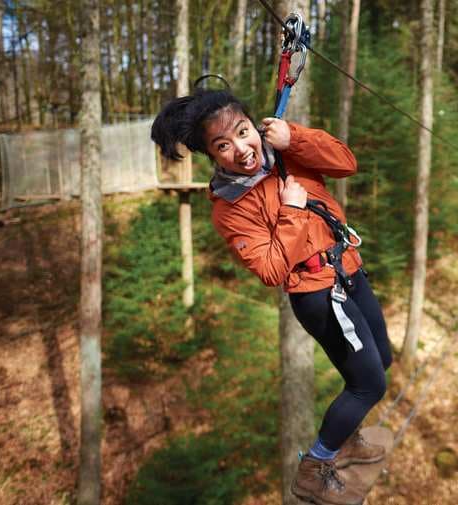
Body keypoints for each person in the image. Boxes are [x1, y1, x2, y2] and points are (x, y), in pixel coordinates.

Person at [151, 89, 389, 505]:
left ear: (254, 124)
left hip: (348, 268)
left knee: (381, 359)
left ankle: (344, 443)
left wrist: (294, 138)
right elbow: (271, 270)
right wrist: (292, 212)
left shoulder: (284, 153)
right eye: (223, 145)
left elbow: (346, 163)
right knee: (369, 384)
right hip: (318, 293)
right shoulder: (230, 207)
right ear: (211, 154)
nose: (242, 150)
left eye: (244, 132)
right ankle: (314, 470)